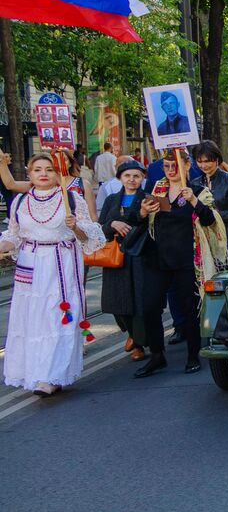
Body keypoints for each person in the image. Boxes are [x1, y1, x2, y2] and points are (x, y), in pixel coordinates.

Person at [0, 153, 104, 395]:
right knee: (33, 319)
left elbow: (90, 235)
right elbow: (13, 235)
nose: (43, 174)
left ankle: (53, 375)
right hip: (31, 264)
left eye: (48, 169)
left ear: (58, 173)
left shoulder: (71, 198)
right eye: (37, 169)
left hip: (61, 263)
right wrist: (4, 247)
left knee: (57, 316)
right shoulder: (20, 202)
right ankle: (36, 373)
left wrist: (75, 226)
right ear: (29, 174)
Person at [132, 153, 225, 377]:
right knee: (149, 307)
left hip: (187, 258)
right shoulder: (156, 189)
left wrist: (193, 201)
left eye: (175, 165)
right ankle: (157, 356)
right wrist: (144, 212)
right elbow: (136, 220)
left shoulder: (199, 191)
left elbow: (211, 221)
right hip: (157, 258)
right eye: (166, 165)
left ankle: (193, 354)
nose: (171, 169)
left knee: (189, 308)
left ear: (187, 166)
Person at [98, 159, 151, 363]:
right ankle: (129, 331)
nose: (132, 180)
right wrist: (113, 223)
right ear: (120, 178)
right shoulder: (112, 199)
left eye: (136, 176)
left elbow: (146, 225)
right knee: (115, 301)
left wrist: (131, 219)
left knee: (137, 301)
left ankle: (138, 343)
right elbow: (101, 226)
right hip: (114, 255)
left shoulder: (146, 199)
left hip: (138, 254)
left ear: (142, 178)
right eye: (127, 175)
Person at [190, 141, 228, 269]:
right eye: (200, 161)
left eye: (207, 161)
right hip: (203, 240)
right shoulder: (195, 183)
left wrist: (217, 215)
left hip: (226, 238)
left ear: (217, 159)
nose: (203, 165)